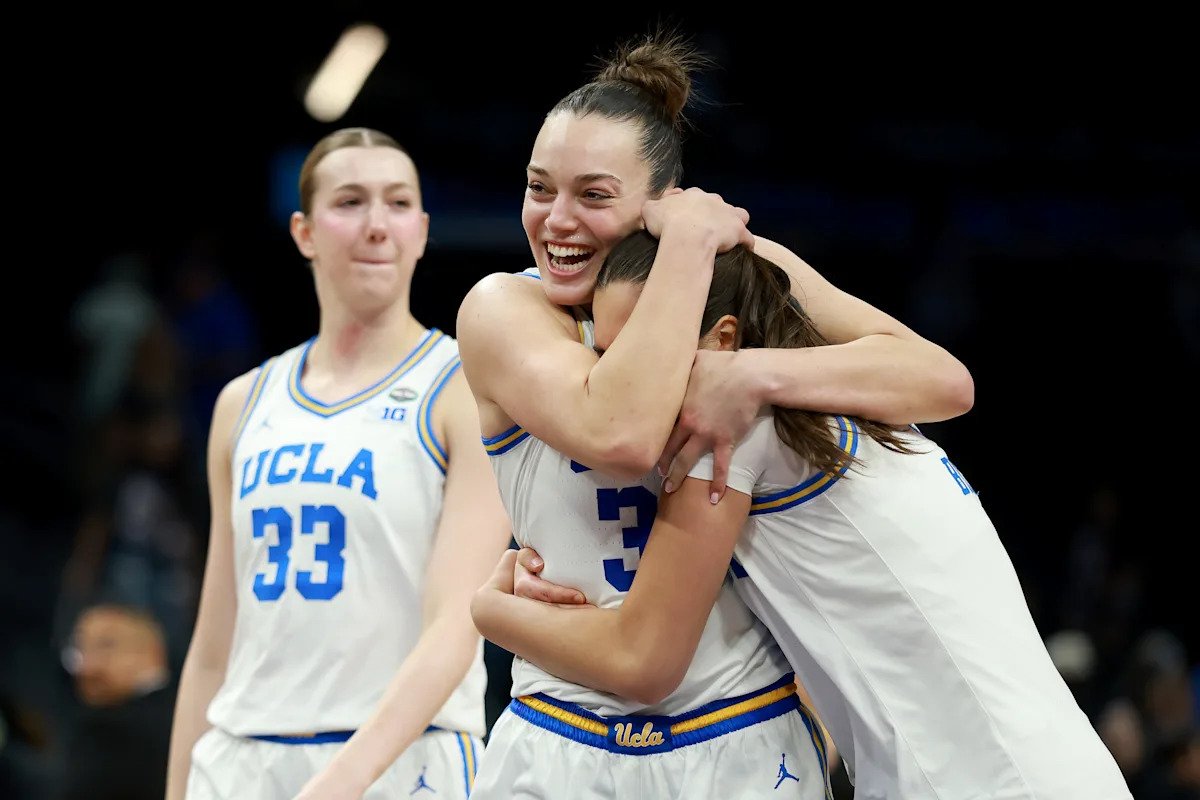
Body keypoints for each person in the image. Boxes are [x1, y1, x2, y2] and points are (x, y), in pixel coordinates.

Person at [455, 26, 972, 799]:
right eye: (538, 188)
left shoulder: (734, 277)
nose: (556, 219)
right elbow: (619, 432)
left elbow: (940, 381)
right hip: (560, 733)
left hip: (741, 737)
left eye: (593, 195)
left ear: (661, 208)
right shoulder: (504, 306)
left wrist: (753, 371)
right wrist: (485, 611)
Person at [474, 229, 1135, 799]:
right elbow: (949, 381)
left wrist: (492, 611)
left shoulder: (737, 429)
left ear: (723, 337)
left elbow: (642, 660)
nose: (623, 376)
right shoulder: (858, 402)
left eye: (637, 349)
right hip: (1053, 767)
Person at [164, 127, 512, 800]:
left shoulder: (463, 387)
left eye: (398, 202)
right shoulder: (244, 403)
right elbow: (214, 645)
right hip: (241, 758)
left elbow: (455, 626)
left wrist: (340, 783)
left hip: (402, 760)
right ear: (304, 232)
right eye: (350, 201)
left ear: (422, 229)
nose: (377, 224)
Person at [57, 602, 175, 800]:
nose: (87, 666)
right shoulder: (198, 714)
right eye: (80, 647)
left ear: (152, 651)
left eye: (106, 645)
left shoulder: (110, 730)